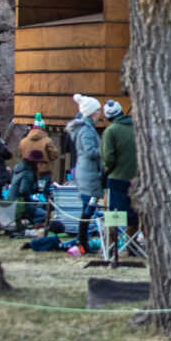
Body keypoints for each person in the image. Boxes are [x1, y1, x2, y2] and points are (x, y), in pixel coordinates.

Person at [66, 94, 105, 253]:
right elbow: (90, 152)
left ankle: (82, 242)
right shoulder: (86, 131)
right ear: (91, 112)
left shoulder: (85, 129)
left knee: (88, 208)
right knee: (88, 209)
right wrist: (105, 150)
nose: (99, 114)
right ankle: (82, 242)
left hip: (87, 173)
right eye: (97, 111)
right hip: (88, 174)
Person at [100, 99, 138, 246]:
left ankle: (110, 247)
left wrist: (103, 175)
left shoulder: (110, 131)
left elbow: (108, 159)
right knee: (134, 216)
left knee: (113, 216)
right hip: (137, 180)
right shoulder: (138, 128)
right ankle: (132, 246)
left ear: (108, 117)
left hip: (116, 180)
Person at [18, 116, 60, 197]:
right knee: (42, 195)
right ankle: (43, 208)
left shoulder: (23, 142)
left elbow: (21, 156)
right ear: (43, 128)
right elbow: (54, 155)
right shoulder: (47, 141)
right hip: (43, 172)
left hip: (28, 172)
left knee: (29, 193)